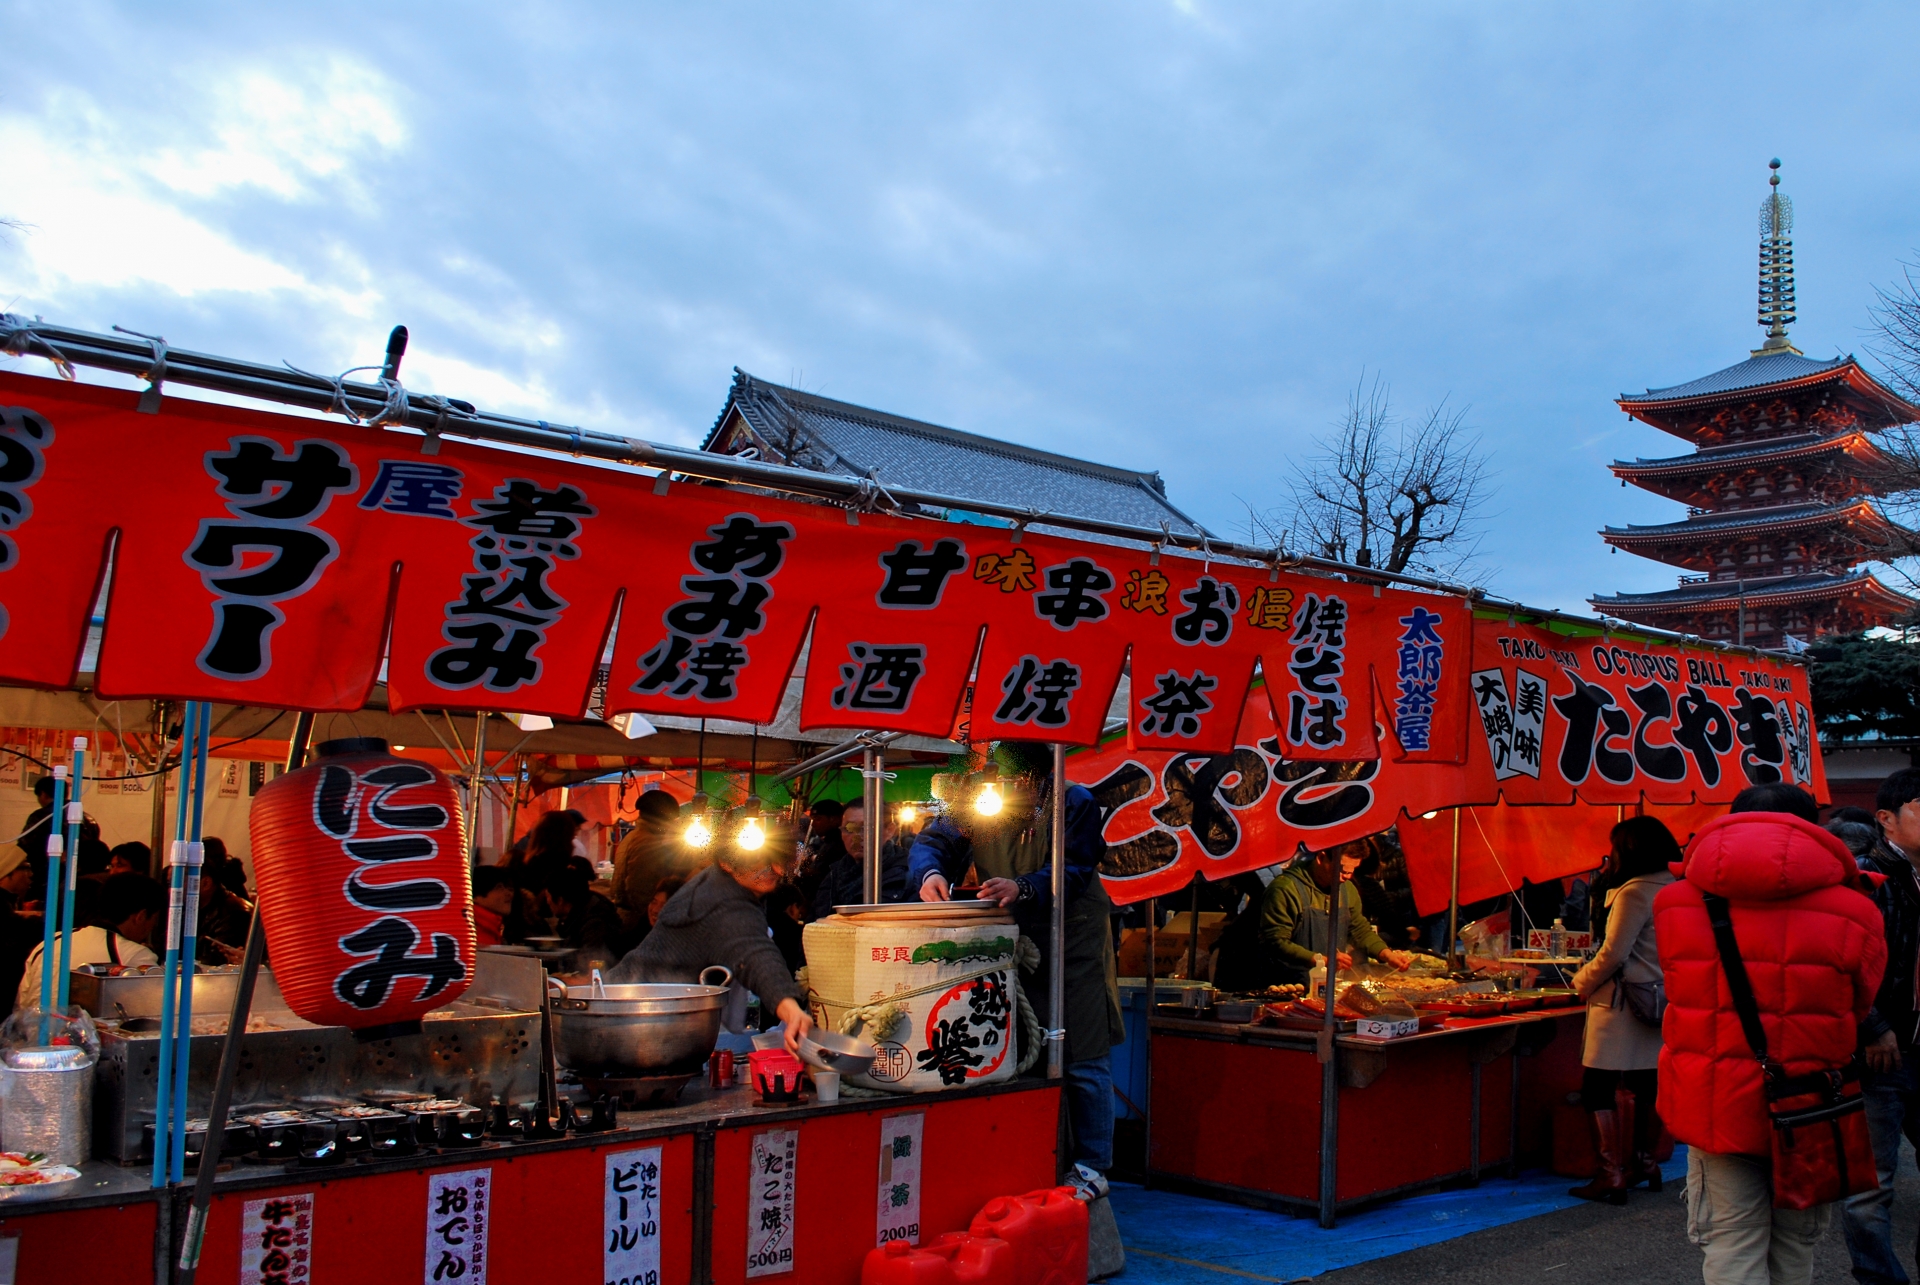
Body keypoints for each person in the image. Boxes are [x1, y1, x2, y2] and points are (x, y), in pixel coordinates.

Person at [1656, 783, 1885, 1285]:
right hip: (1812, 1100)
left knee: (1731, 1240)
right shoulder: (1858, 909)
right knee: (1795, 1242)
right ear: (1812, 828)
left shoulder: (1674, 903)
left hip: (1711, 1098)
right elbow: (1860, 1005)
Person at [911, 743, 1124, 1202]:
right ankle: (1032, 1156)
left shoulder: (1075, 801)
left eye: (1020, 783)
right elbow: (934, 841)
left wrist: (1025, 886)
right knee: (1019, 1051)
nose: (1010, 790)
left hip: (1074, 941)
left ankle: (1093, 1166)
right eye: (1002, 782)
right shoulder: (980, 802)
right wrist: (929, 873)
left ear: (1039, 778)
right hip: (1012, 942)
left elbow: (1074, 867)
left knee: (1083, 1056)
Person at [604, 837, 811, 1053]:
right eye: (761, 861)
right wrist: (790, 1009)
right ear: (726, 863)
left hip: (631, 1010)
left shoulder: (717, 880)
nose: (776, 870)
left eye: (779, 860)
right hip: (627, 1019)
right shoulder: (723, 901)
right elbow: (756, 954)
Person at [1567, 816, 1679, 1204]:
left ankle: (1610, 1174)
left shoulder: (1633, 892)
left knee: (1597, 1085)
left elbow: (1613, 953)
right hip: (1661, 998)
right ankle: (1645, 1163)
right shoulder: (1676, 886)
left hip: (1621, 1002)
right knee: (1648, 1081)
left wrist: (1580, 981)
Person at [1845, 767, 1920, 1285]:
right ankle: (1878, 1279)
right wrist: (1873, 1027)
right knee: (1872, 1185)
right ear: (1887, 820)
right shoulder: (1863, 878)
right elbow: (1839, 963)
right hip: (1882, 1053)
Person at [1256, 844, 1415, 988]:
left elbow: (1359, 930)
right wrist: (1323, 960)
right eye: (1342, 870)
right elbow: (1276, 941)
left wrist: (1386, 955)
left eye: (1352, 871)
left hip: (1329, 986)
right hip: (1287, 985)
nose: (1347, 876)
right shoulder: (1285, 889)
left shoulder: (1347, 889)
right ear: (1321, 858)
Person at [16, 872, 166, 1009]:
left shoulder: (50, 942)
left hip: (33, 1035)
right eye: (154, 919)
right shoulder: (135, 955)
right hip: (86, 1036)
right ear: (141, 916)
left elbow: (23, 1001)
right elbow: (153, 1011)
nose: (153, 926)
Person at [811, 801, 909, 917]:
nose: (857, 836)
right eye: (849, 828)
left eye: (867, 828)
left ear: (890, 830)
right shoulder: (834, 874)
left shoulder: (908, 871)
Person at [610, 790, 683, 933]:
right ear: (661, 818)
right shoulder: (647, 842)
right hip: (636, 922)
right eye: (671, 819)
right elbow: (640, 890)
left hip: (627, 917)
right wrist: (652, 918)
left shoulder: (634, 836)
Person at [547, 865, 626, 974]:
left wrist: (559, 980)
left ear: (560, 900)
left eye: (548, 897)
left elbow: (594, 974)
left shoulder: (595, 925)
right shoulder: (572, 919)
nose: (548, 901)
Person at [0, 851, 41, 1017]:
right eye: (25, 868)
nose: (30, 875)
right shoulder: (2, 908)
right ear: (7, 872)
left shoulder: (8, 904)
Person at [16, 776, 55, 898]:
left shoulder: (40, 817)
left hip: (43, 880)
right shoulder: (85, 818)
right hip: (75, 880)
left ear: (43, 794)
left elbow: (24, 847)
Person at [472, 866, 516, 948]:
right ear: (476, 897)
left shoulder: (494, 927)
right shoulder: (471, 933)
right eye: (499, 888)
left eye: (508, 888)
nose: (509, 894)